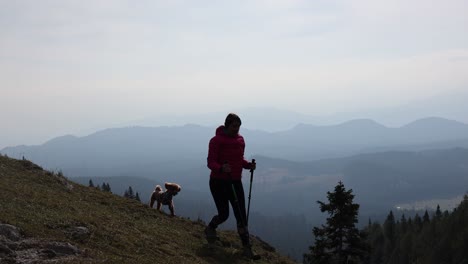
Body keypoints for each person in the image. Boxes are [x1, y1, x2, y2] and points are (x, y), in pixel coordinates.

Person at [205, 113, 259, 259]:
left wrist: (248, 165)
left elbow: (239, 159)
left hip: (235, 182)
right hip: (218, 182)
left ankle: (247, 248)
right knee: (224, 214)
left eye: (238, 127)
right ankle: (211, 227)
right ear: (227, 125)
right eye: (234, 126)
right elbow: (210, 162)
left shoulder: (240, 140)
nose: (237, 129)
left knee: (241, 215)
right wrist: (221, 168)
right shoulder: (216, 141)